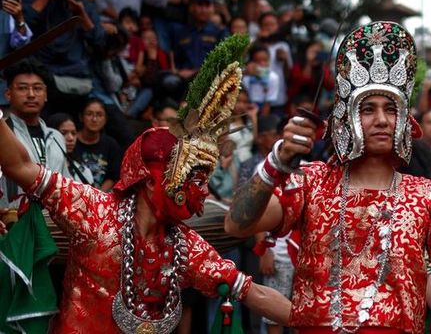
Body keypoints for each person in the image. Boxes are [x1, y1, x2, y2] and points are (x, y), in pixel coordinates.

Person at [225, 21, 431, 334]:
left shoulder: (425, 195)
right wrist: (277, 162)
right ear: (348, 118)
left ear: (404, 120)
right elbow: (237, 225)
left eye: (391, 109)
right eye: (368, 109)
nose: (381, 119)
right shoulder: (312, 182)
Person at [0, 34, 291, 333]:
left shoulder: (186, 247)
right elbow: (19, 166)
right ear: (153, 181)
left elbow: (255, 293)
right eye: (195, 180)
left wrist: (322, 322)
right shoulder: (92, 211)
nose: (203, 193)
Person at [0, 59, 70, 212]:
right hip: (12, 223)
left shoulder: (57, 137)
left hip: (53, 226)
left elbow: (67, 183)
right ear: (8, 94)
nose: (31, 94)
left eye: (37, 88)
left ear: (45, 94)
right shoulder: (3, 134)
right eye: (23, 88)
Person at [172, 0, 229, 81]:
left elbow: (222, 61)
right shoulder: (180, 32)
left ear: (213, 8)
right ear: (191, 7)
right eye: (200, 5)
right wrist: (178, 71)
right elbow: (175, 59)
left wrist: (196, 72)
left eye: (207, 6)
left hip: (210, 80)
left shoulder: (220, 32)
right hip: (182, 79)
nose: (204, 10)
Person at [75, 99, 123, 191]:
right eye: (89, 114)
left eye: (99, 115)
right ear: (81, 117)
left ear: (105, 119)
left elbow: (113, 176)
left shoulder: (111, 145)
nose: (94, 119)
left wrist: (98, 195)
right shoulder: (71, 142)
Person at [46, 112, 94, 185]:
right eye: (63, 133)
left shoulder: (83, 169)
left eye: (73, 133)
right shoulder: (43, 167)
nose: (71, 138)